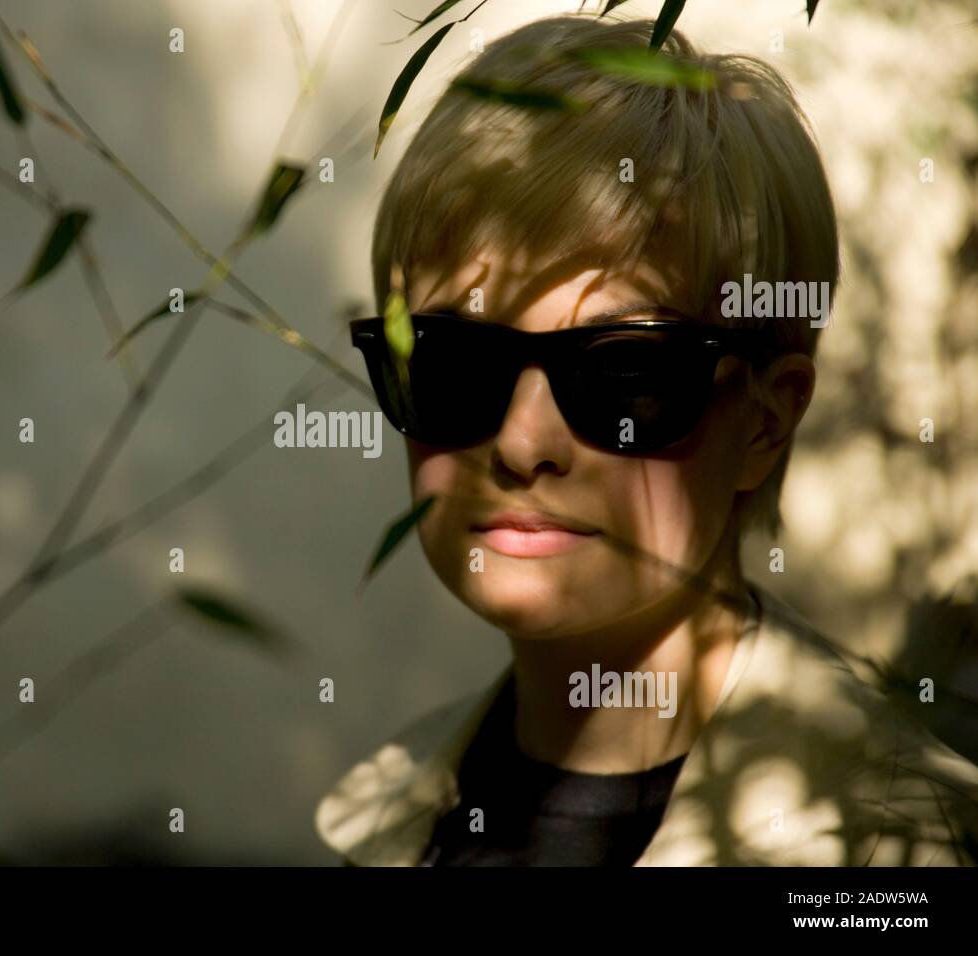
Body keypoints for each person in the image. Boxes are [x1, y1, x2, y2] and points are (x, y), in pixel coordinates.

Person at [314, 13, 978, 866]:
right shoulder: (390, 810)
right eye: (454, 363)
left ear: (764, 422)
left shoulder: (892, 850)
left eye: (625, 372)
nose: (521, 445)